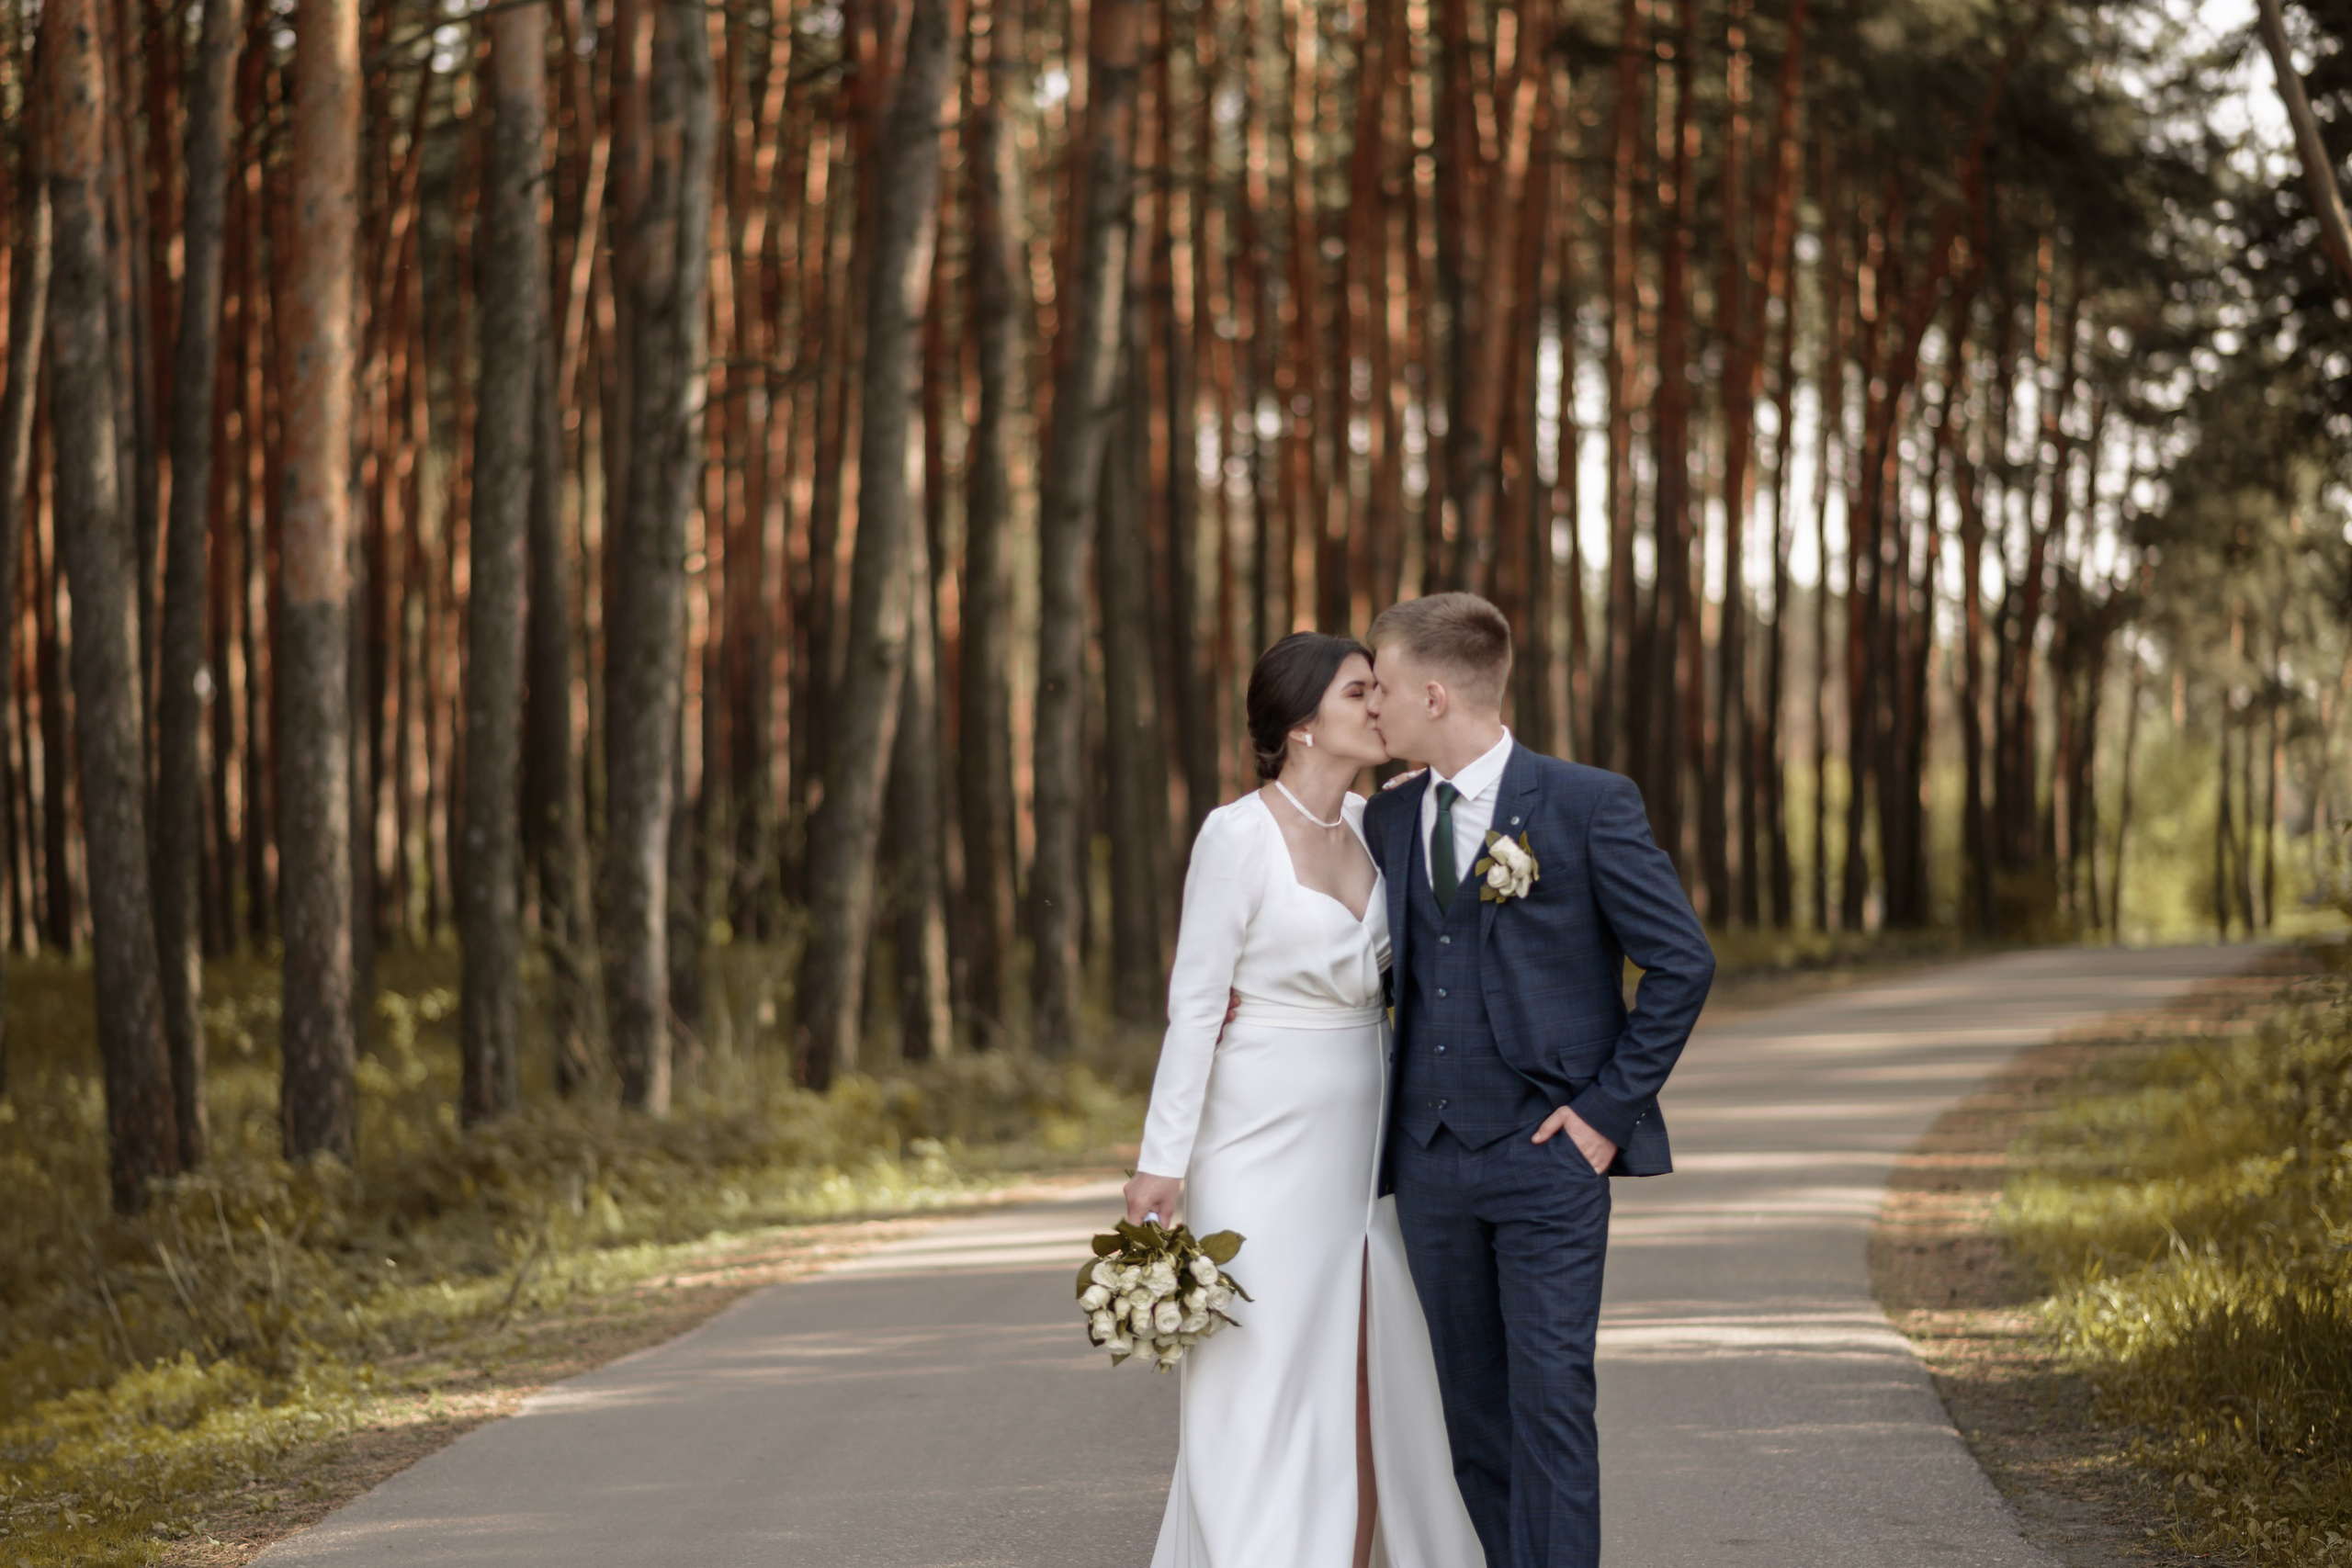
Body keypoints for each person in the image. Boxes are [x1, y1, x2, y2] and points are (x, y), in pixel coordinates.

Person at [1361, 592, 1713, 1568]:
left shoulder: (1588, 803)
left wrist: (1605, 1113)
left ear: (1434, 693)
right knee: (1471, 1415)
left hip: (1547, 1159)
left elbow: (1682, 963)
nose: (1371, 707)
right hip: (1428, 1166)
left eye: (1382, 686)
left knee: (1550, 1400)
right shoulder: (1387, 820)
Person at [1125, 632, 1486, 1568]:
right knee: (1258, 1361)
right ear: (1298, 722)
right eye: (1360, 691)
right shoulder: (1233, 835)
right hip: (1253, 1135)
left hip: (1364, 1137)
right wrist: (1160, 1162)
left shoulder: (1383, 825)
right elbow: (1195, 1006)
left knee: (1363, 1367)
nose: (1380, 705)